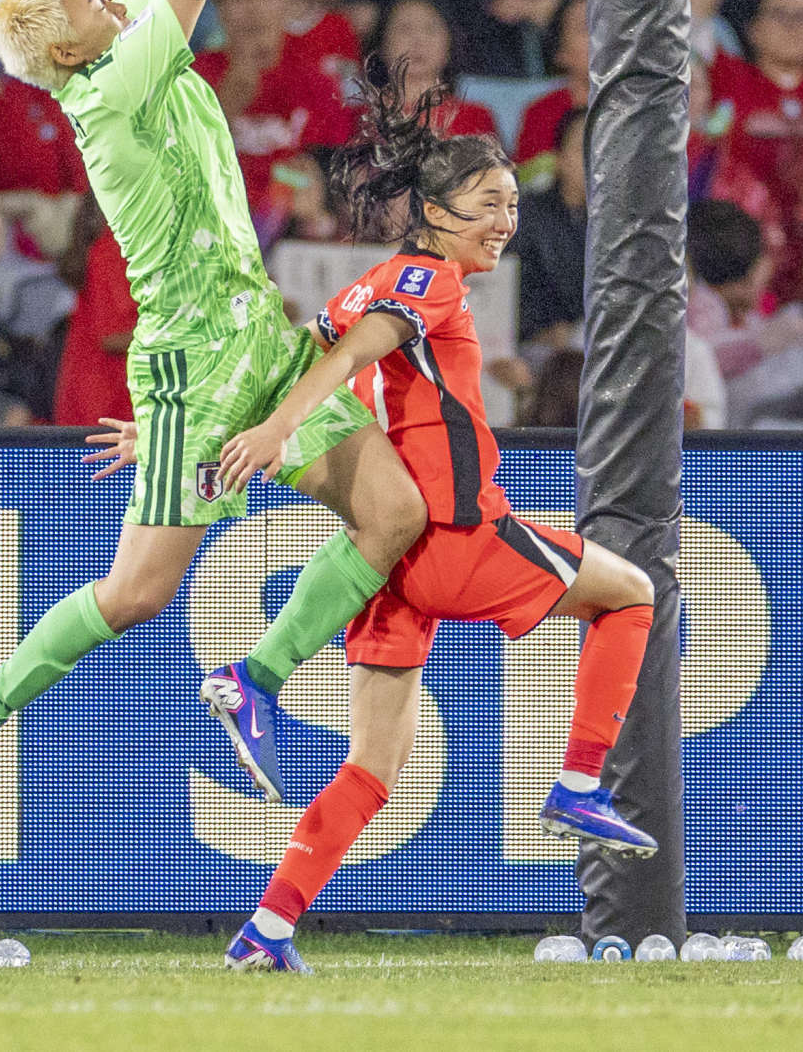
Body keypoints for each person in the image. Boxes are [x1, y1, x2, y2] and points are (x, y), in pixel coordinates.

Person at [0, 0, 424, 817]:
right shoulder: (111, 88)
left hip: (260, 336)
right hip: (194, 364)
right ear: (67, 46)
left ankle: (254, 680)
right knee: (137, 592)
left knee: (394, 515)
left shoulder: (117, 48)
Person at [193, 68, 665, 971]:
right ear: (434, 212)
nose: (505, 221)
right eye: (487, 204)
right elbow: (352, 357)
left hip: (389, 558)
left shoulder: (370, 281)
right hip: (459, 533)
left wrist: (193, 430)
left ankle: (267, 930)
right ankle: (578, 782)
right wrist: (279, 430)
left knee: (373, 767)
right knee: (632, 593)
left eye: (512, 205)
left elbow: (306, 356)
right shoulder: (428, 281)